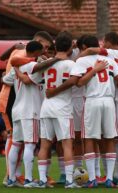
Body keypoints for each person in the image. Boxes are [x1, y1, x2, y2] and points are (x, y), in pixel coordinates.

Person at [72, 35, 118, 188]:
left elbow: (79, 83)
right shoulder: (110, 61)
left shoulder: (82, 61)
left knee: (89, 139)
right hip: (109, 102)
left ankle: (92, 179)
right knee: (109, 139)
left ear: (84, 47)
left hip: (92, 101)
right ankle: (109, 178)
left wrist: (93, 71)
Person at [36, 33, 80, 188]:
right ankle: (69, 180)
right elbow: (75, 81)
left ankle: (42, 180)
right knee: (67, 145)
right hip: (63, 109)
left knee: (45, 145)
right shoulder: (71, 64)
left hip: (46, 107)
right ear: (69, 48)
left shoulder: (48, 63)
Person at [3, 41, 44, 188]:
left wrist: (15, 70)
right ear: (36, 52)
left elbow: (5, 79)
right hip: (31, 110)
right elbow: (29, 80)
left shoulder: (16, 68)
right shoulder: (35, 67)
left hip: (17, 110)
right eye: (41, 51)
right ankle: (28, 179)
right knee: (30, 145)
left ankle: (11, 178)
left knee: (16, 144)